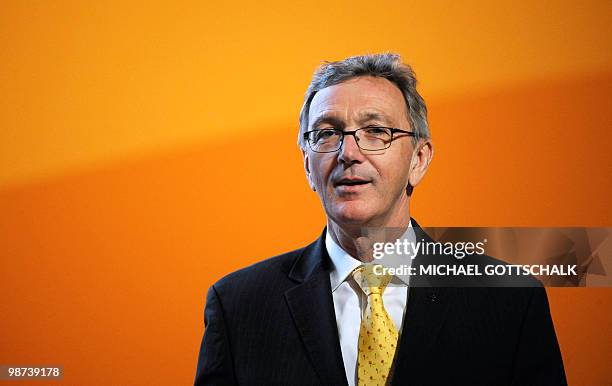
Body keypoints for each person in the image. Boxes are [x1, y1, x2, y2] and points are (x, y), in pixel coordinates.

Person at [194, 53, 567, 385]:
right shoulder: (239, 305)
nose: (349, 152)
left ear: (418, 160)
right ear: (308, 166)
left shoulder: (510, 301)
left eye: (376, 131)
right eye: (328, 133)